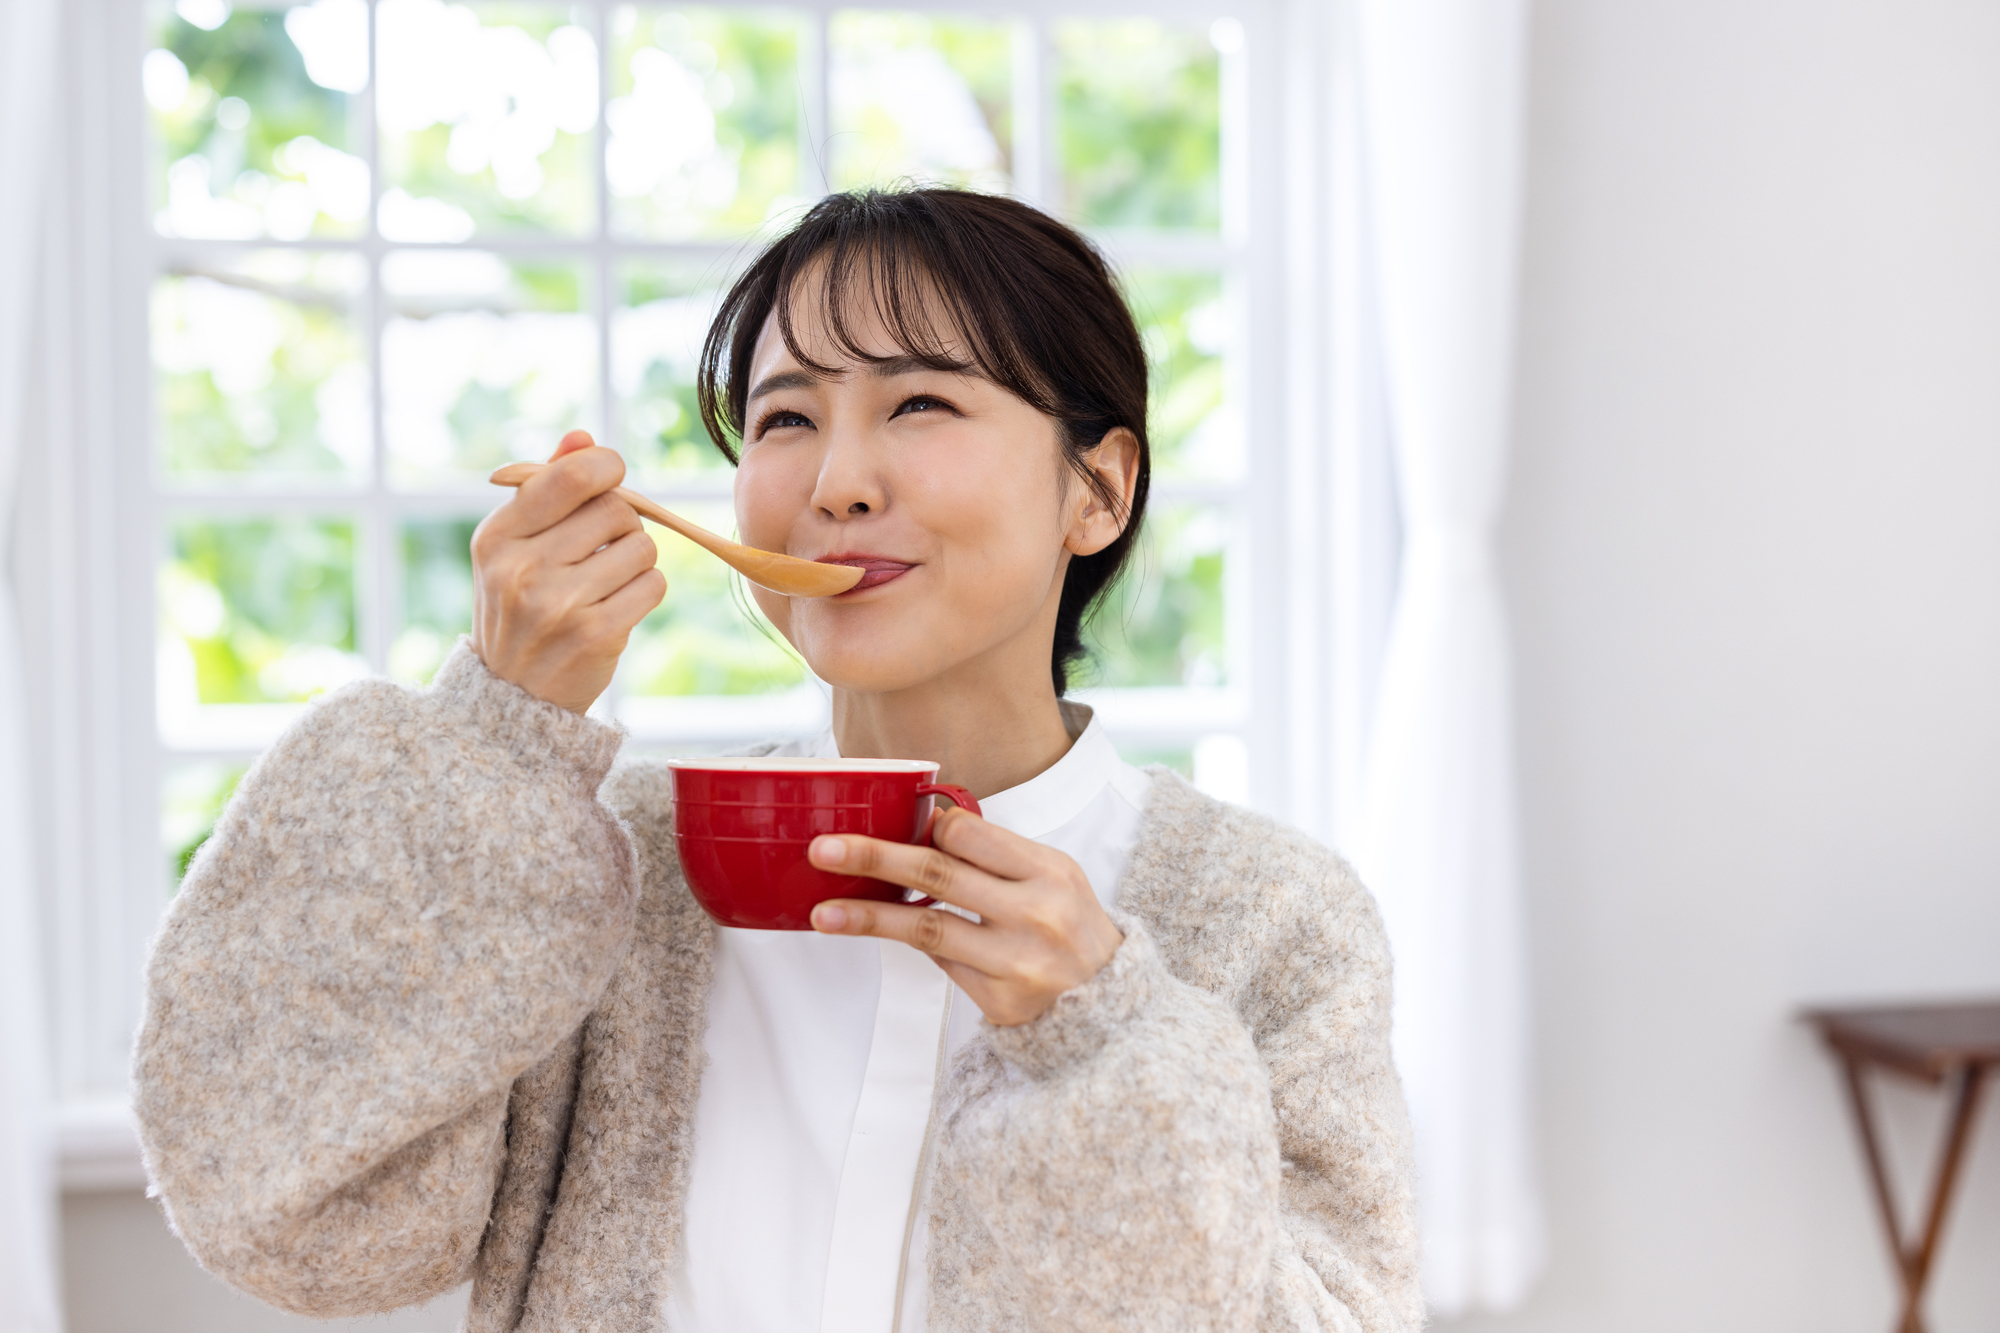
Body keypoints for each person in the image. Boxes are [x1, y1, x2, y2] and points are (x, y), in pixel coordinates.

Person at [133, 188, 1419, 1333]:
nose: (839, 480)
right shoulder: (601, 865)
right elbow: (286, 1210)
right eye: (785, 417)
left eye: (919, 401)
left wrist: (1107, 1039)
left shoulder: (1273, 920)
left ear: (1099, 487)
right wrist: (494, 735)